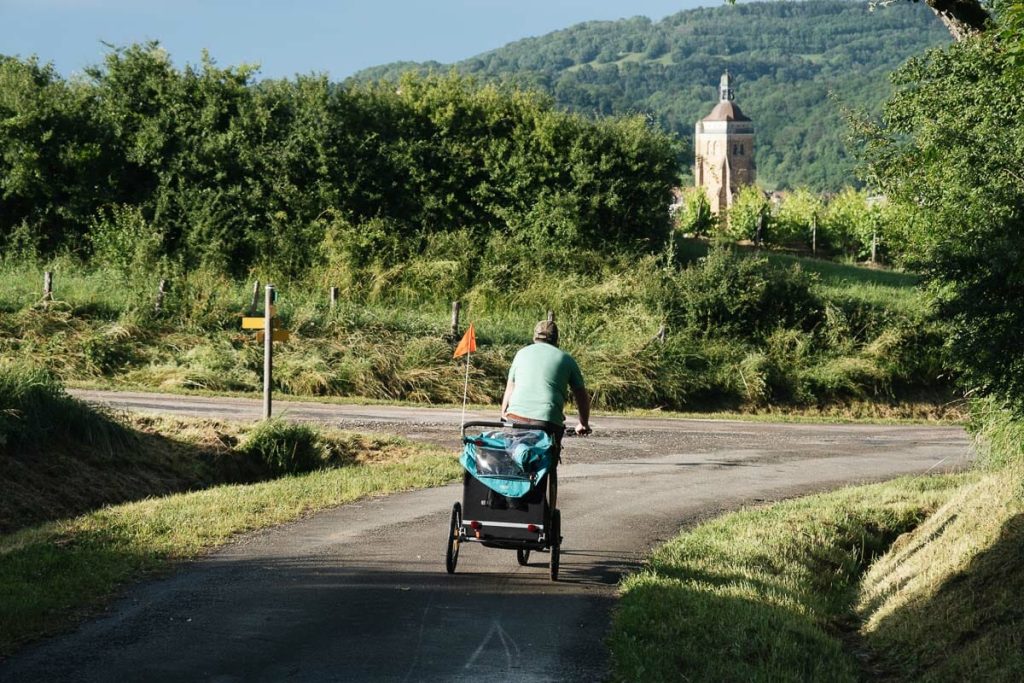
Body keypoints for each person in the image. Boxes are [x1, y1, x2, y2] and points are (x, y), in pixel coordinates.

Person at [500, 320, 591, 511]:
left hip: (515, 417)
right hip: (547, 421)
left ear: (534, 337)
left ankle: (511, 497)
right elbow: (581, 396)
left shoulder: (521, 354)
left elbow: (510, 389)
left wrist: (504, 415)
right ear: (556, 340)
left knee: (512, 455)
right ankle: (539, 509)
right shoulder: (565, 359)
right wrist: (583, 423)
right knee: (545, 461)